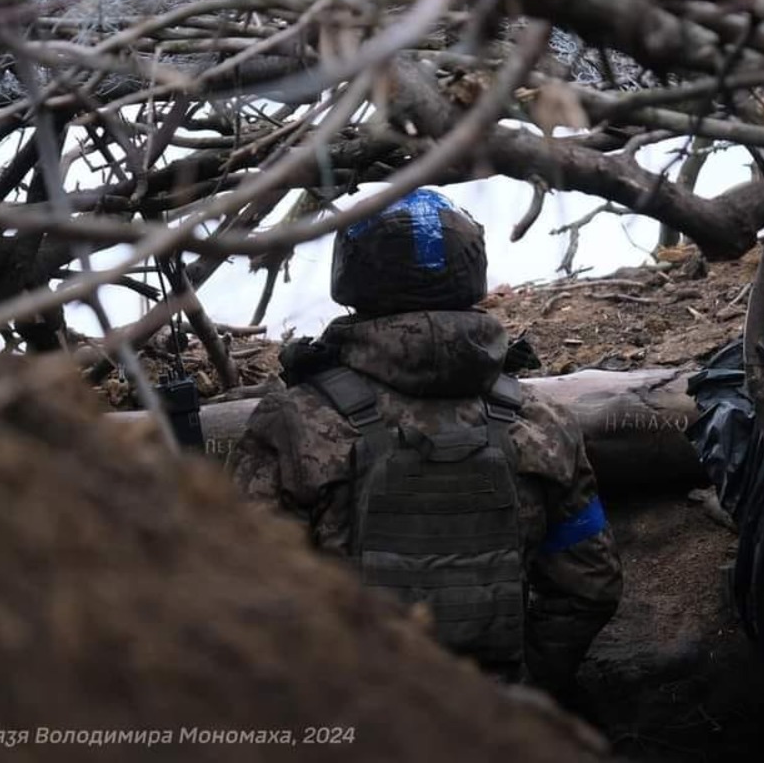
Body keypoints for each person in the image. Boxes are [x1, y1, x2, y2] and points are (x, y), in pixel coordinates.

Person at [227, 188, 622, 696]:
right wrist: (523, 693)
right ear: (471, 272)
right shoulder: (542, 420)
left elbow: (240, 593)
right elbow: (592, 583)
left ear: (351, 274)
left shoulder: (291, 421)